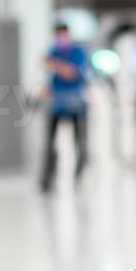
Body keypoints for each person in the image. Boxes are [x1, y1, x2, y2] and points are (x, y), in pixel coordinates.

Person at [40, 23, 88, 192]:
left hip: (76, 104)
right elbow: (50, 79)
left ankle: (79, 179)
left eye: (63, 35)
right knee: (50, 145)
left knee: (81, 146)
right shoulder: (53, 52)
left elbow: (72, 73)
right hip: (56, 105)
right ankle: (47, 182)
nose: (61, 39)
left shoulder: (78, 52)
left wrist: (54, 64)